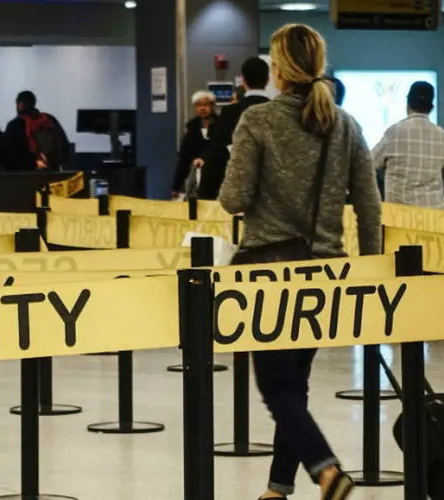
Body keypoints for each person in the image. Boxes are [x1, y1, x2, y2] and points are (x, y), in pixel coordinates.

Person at [218, 23, 380, 500]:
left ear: (278, 69)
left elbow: (233, 199)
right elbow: (369, 207)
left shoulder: (259, 120)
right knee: (296, 383)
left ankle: (326, 470)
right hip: (327, 270)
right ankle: (277, 488)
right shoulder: (345, 124)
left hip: (268, 270)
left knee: (276, 388)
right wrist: (370, 268)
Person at [197, 57, 270, 200]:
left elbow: (217, 153)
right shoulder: (277, 112)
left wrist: (204, 194)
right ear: (268, 80)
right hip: (269, 191)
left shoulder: (230, 112)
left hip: (237, 189)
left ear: (243, 81)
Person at [372, 81, 444, 208]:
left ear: (408, 103)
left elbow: (370, 163)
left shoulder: (395, 131)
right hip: (434, 215)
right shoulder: (441, 134)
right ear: (431, 108)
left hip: (401, 217)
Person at [4, 91, 70, 171]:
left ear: (20, 104)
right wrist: (54, 163)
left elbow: (10, 157)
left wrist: (33, 164)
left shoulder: (15, 125)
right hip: (52, 172)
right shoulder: (49, 119)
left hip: (26, 176)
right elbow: (65, 145)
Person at [171, 90, 217, 199]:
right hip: (196, 176)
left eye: (205, 105)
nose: (202, 108)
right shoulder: (192, 128)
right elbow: (184, 158)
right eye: (198, 105)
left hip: (216, 176)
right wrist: (176, 186)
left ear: (212, 106)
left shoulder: (221, 125)